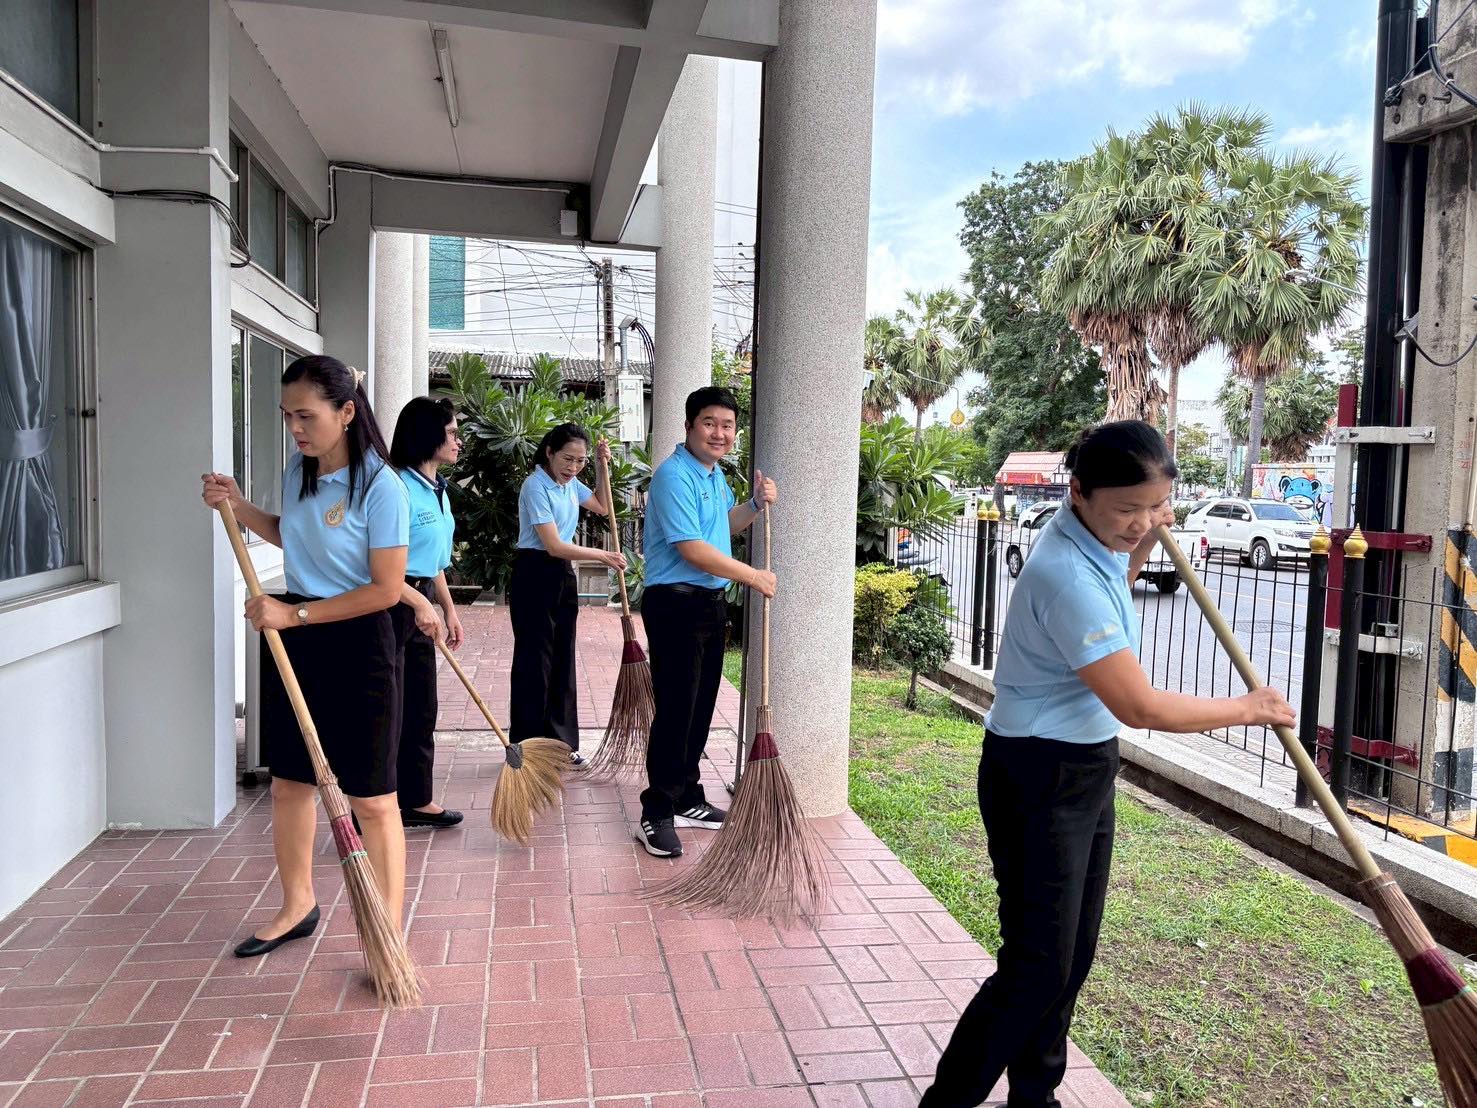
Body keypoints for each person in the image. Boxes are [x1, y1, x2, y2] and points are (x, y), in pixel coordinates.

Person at [920, 421, 1295, 1108]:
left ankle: (1034, 1096)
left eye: (1153, 506)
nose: (1141, 522)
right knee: (1035, 966)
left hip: (1084, 767)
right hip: (1038, 776)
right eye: (1127, 509)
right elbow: (1138, 705)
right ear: (1079, 492)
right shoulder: (1064, 575)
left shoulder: (1089, 543)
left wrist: (1146, 531)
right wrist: (1248, 709)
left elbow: (1120, 579)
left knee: (1068, 958)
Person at [201, 355, 411, 958]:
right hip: (296, 636)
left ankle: (386, 934)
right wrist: (238, 507)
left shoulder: (382, 487)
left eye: (306, 415)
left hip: (360, 639)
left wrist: (289, 613)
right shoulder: (301, 471)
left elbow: (386, 589)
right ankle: (297, 904)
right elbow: (294, 534)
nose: (295, 427)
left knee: (372, 797)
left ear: (347, 412)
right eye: (287, 415)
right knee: (290, 784)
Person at [634, 386, 777, 859]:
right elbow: (691, 549)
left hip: (708, 603)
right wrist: (753, 575)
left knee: (700, 705)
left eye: (728, 425)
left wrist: (754, 506)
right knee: (676, 708)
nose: (720, 433)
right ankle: (655, 810)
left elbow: (721, 528)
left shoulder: (714, 477)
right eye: (710, 423)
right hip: (674, 603)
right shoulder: (673, 476)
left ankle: (687, 796)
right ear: (690, 426)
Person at [509, 423, 626, 764]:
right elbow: (553, 545)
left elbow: (603, 506)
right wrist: (603, 556)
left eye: (580, 461)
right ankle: (528, 747)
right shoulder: (535, 486)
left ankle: (560, 745)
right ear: (549, 452)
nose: (573, 467)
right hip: (534, 572)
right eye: (567, 459)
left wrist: (603, 467)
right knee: (535, 661)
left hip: (562, 574)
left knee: (562, 657)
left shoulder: (571, 485)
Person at [389, 396, 465, 829]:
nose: (458, 440)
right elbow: (376, 565)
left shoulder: (437, 489)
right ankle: (376, 805)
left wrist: (448, 609)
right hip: (392, 604)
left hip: (421, 605)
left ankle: (417, 800)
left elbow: (433, 559)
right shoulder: (397, 487)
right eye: (451, 432)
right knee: (389, 708)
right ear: (426, 434)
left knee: (421, 706)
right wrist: (418, 604)